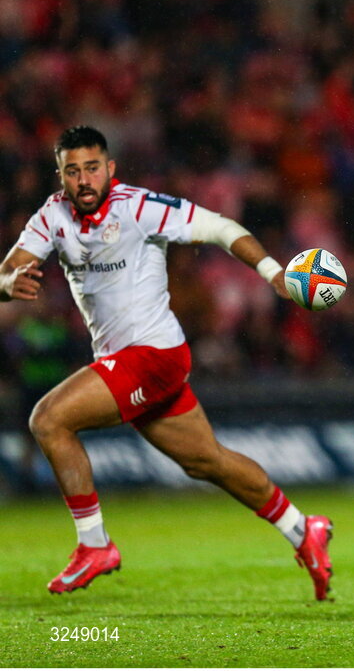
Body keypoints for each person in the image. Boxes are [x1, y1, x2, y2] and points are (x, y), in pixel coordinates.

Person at [0, 126, 334, 599]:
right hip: (131, 360)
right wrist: (7, 284)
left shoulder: (138, 207)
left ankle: (94, 545)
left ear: (109, 168)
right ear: (61, 175)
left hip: (152, 354)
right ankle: (303, 528)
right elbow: (10, 267)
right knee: (207, 461)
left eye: (92, 167)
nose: (83, 179)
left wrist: (273, 272)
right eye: (72, 171)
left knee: (49, 420)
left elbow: (220, 227)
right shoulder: (53, 215)